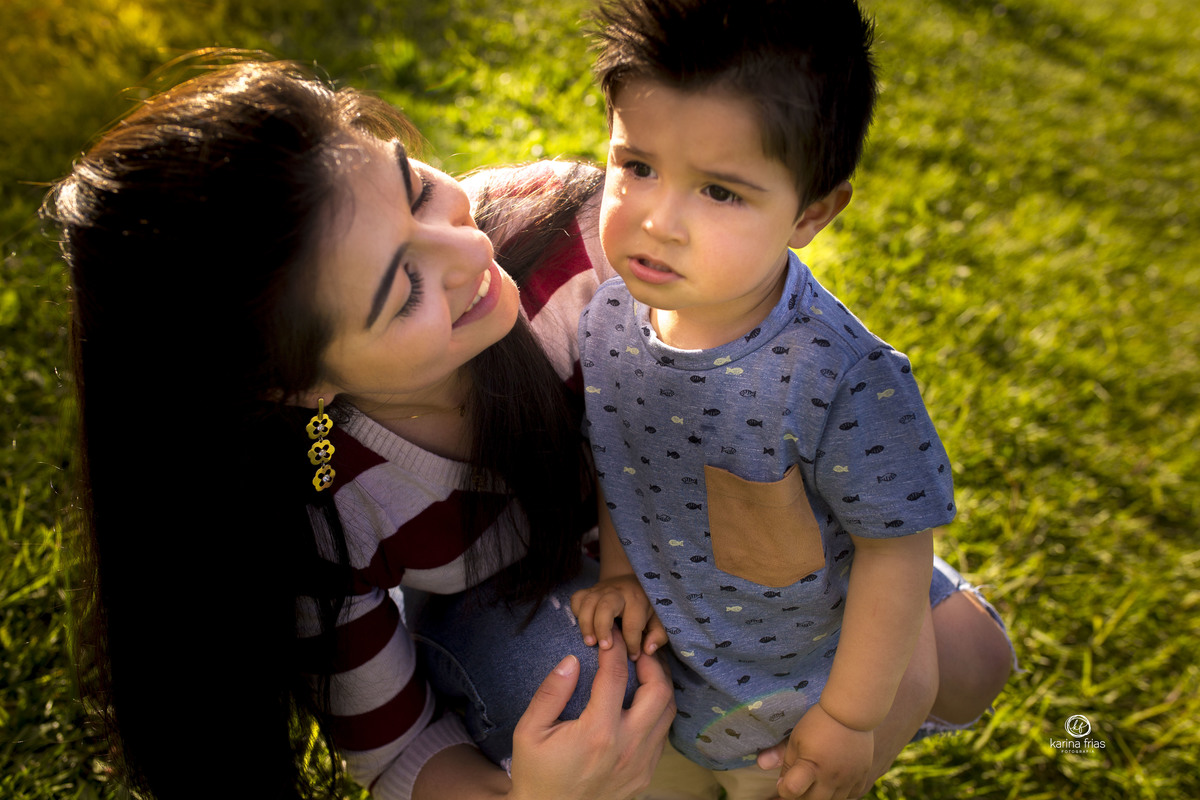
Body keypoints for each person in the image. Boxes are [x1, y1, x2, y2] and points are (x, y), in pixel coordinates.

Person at [47, 56, 674, 800]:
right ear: (295, 384)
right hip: (508, 611)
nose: (469, 250)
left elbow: (766, 411)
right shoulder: (314, 509)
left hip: (680, 529)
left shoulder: (582, 249)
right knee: (588, 694)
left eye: (417, 190)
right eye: (403, 291)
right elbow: (402, 748)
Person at [569, 1, 1015, 799]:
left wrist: (850, 717)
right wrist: (619, 572)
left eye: (720, 192)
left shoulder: (840, 375)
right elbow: (620, 455)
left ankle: (952, 628)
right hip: (691, 672)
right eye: (637, 166)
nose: (659, 221)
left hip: (810, 687)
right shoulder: (606, 319)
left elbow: (895, 550)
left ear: (812, 213)